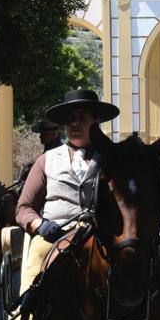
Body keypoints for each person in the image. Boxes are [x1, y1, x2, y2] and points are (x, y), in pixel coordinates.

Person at [15, 89, 120, 296]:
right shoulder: (46, 160)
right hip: (52, 240)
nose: (74, 123)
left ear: (96, 120)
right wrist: (40, 225)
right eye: (70, 119)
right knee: (36, 261)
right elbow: (23, 208)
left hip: (101, 240)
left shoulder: (113, 159)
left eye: (82, 117)